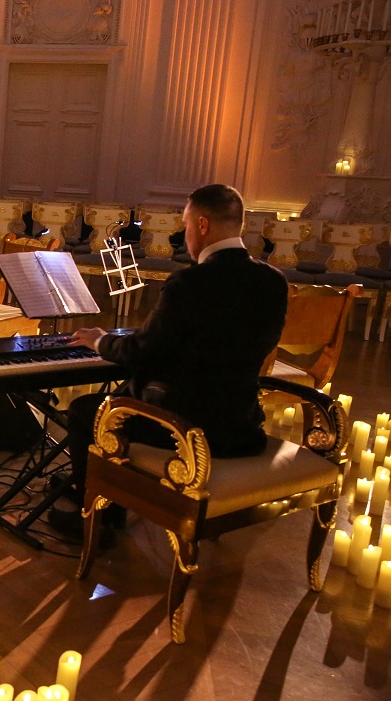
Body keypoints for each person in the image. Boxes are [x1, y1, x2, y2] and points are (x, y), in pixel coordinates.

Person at [49, 183, 288, 541]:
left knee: (87, 411)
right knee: (122, 395)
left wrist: (100, 340)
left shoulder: (191, 282)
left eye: (186, 225)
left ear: (203, 225)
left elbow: (141, 354)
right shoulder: (274, 281)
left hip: (186, 428)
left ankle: (99, 518)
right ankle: (100, 488)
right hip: (241, 425)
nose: (185, 234)